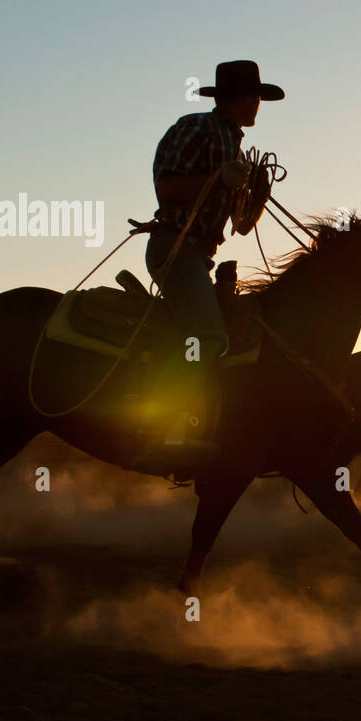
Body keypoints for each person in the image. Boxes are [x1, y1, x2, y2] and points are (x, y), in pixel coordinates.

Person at [135, 60, 284, 470]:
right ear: (235, 99)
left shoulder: (234, 146)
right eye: (254, 96)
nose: (257, 104)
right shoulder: (196, 127)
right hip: (175, 248)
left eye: (259, 97)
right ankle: (164, 428)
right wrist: (219, 179)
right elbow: (168, 189)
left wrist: (258, 196)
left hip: (199, 256)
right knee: (207, 336)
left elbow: (240, 226)